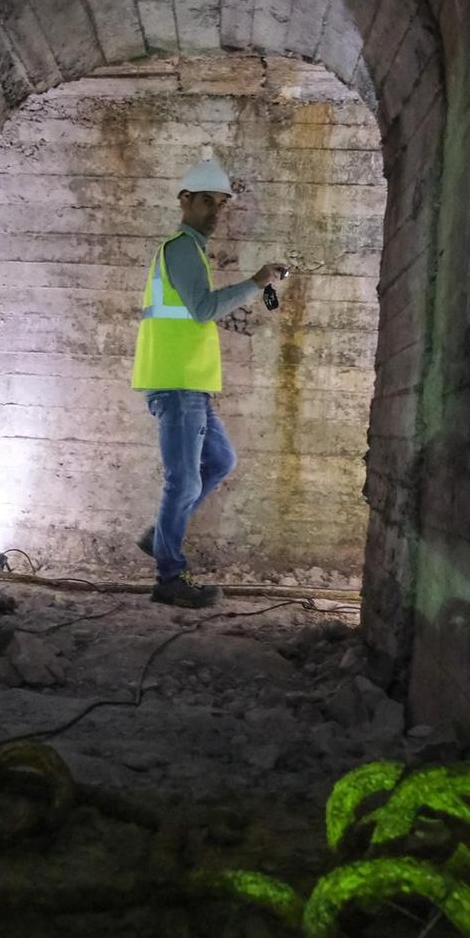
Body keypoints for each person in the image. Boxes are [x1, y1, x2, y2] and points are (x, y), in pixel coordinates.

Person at [131, 157, 288, 608]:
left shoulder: (192, 250)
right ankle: (169, 578)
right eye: (206, 202)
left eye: (221, 204)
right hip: (177, 382)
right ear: (184, 201)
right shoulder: (181, 246)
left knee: (219, 461)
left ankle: (161, 537)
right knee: (182, 481)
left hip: (190, 383)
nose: (215, 212)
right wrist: (256, 282)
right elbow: (202, 310)